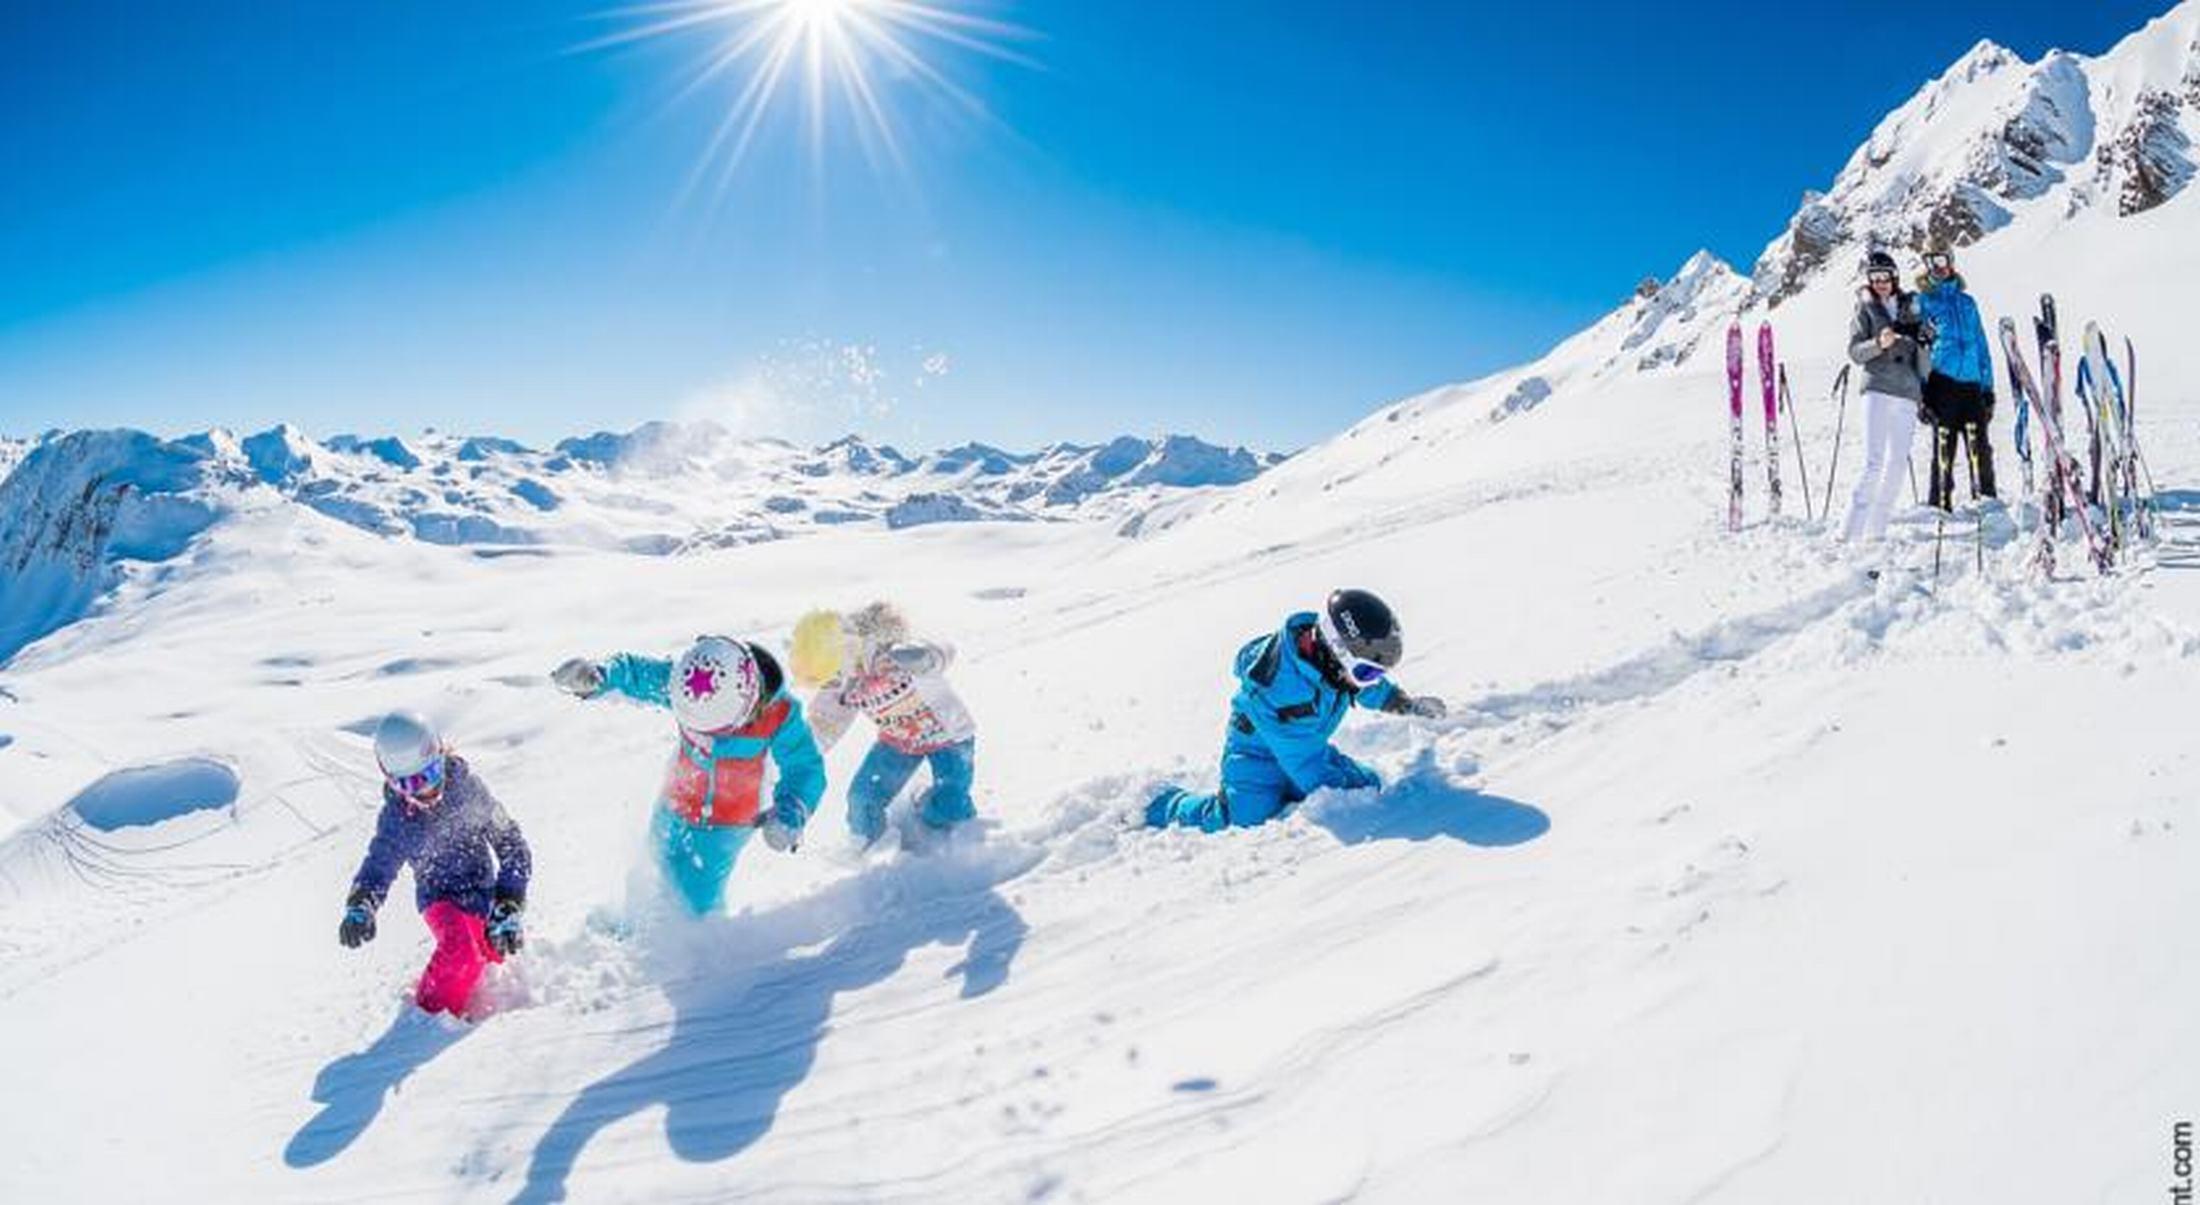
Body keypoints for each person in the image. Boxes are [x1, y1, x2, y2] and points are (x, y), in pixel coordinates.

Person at [551, 635, 824, 915]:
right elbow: (636, 674)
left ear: (748, 706)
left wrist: (791, 812)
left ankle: (699, 947)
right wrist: (599, 677)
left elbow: (804, 767)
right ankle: (634, 928)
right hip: (676, 800)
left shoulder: (779, 713)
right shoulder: (690, 680)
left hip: (726, 822)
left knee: (695, 899)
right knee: (651, 870)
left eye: (716, 730)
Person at [1145, 589, 1449, 832]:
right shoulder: (1281, 693)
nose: (1369, 681)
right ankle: (1165, 802)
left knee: (1365, 783)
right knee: (1244, 818)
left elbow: (1360, 687)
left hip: (1304, 744)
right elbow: (1309, 769)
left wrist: (1402, 703)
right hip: (1254, 755)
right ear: (1337, 652)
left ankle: (1306, 786)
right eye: (1367, 672)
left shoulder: (1330, 663)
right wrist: (1352, 796)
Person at [339, 711, 532, 1019]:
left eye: (429, 775)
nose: (425, 791)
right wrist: (362, 904)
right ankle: (425, 1019)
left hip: (484, 893)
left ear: (442, 755)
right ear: (392, 782)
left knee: (494, 954)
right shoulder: (398, 818)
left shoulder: (468, 792)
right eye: (411, 784)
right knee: (461, 953)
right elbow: (379, 865)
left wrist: (508, 902)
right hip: (439, 898)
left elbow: (511, 843)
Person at [787, 602, 979, 848]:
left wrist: (926, 657)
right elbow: (825, 723)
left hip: (949, 738)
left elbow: (946, 649)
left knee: (949, 807)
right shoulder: (845, 684)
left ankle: (929, 808)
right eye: (828, 679)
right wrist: (800, 753)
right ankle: (866, 849)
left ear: (845, 650)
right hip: (898, 744)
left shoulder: (895, 652)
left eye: (833, 674)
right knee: (862, 799)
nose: (833, 683)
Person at [1840, 250, 1934, 543]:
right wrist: (1878, 344)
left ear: (1894, 277)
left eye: (1885, 277)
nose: (1880, 283)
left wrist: (1925, 341)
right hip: (1878, 389)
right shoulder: (1865, 309)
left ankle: (1876, 531)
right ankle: (1848, 533)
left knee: (1897, 464)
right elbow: (1855, 352)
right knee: (1874, 462)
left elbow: (1923, 355)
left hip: (1907, 393)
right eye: (1874, 278)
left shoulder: (1911, 307)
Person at [1913, 246, 1998, 511]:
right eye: (1930, 261)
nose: (1937, 266)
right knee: (1944, 449)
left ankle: (1987, 503)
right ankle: (1939, 505)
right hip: (1942, 385)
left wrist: (1988, 388)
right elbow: (1918, 349)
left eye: (1940, 259)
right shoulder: (1923, 302)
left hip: (1972, 385)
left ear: (1951, 261)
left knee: (1981, 448)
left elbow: (1981, 345)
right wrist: (1922, 395)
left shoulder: (1967, 302)